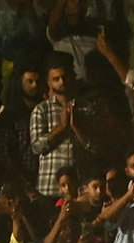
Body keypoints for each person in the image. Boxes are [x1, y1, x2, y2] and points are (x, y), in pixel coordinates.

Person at [30, 58, 92, 199]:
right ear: (49, 82)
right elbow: (36, 147)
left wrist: (75, 126)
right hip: (50, 188)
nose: (62, 82)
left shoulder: (87, 108)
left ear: (73, 76)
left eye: (64, 77)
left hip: (80, 188)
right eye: (56, 79)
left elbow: (93, 147)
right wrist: (61, 127)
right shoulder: (41, 110)